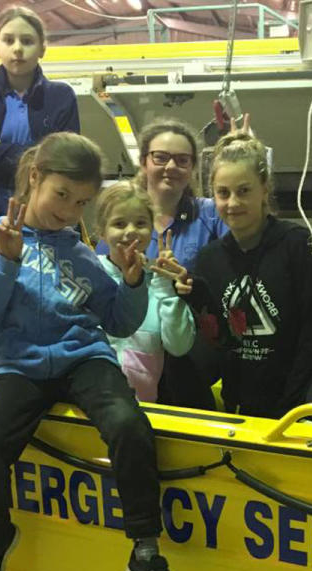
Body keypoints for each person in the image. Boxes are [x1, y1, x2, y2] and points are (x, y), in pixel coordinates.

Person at [0, 133, 185, 571]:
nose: (68, 211)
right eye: (62, 195)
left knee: (129, 424)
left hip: (84, 358)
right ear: (35, 177)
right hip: (18, 367)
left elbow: (120, 321)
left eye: (81, 202)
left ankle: (144, 550)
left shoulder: (81, 252)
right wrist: (6, 261)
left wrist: (132, 279)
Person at [184, 132, 312, 418]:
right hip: (246, 388)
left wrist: (290, 403)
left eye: (244, 190)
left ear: (264, 189)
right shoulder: (210, 259)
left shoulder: (297, 243)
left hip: (304, 382)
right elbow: (218, 338)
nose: (233, 202)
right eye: (223, 193)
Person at [98, 118, 228, 410]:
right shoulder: (118, 221)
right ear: (144, 161)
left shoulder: (211, 215)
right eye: (161, 157)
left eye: (182, 160)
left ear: (192, 167)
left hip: (188, 346)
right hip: (136, 345)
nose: (171, 166)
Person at [0, 5, 79, 223]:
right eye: (8, 40)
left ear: (42, 49)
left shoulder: (62, 96)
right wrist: (41, 152)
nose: (17, 48)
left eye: (27, 41)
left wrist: (3, 149)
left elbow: (66, 158)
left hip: (51, 211)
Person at [95, 180, 195, 402]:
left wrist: (165, 285)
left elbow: (179, 347)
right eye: (119, 224)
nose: (131, 232)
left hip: (145, 415)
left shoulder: (159, 283)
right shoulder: (89, 275)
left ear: (151, 229)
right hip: (89, 412)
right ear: (102, 231)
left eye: (140, 223)